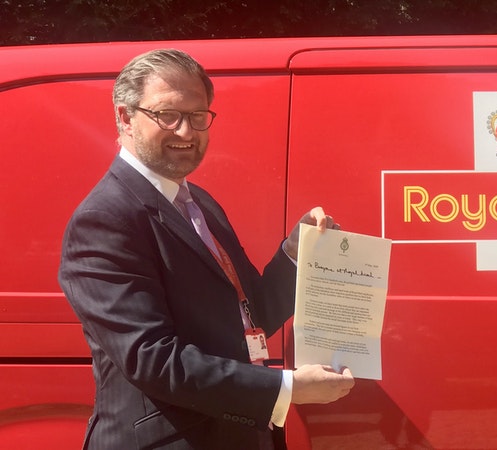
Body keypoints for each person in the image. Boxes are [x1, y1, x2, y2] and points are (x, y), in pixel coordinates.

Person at [58, 48, 355, 450]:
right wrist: (286, 387)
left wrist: (293, 254)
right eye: (167, 115)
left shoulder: (200, 204)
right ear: (125, 117)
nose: (186, 132)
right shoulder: (105, 218)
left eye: (198, 116)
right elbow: (151, 358)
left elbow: (252, 316)